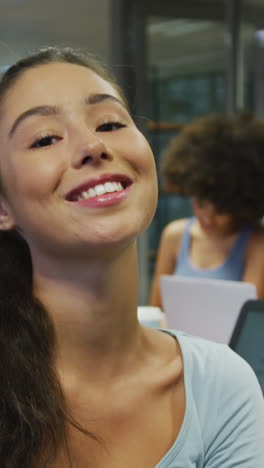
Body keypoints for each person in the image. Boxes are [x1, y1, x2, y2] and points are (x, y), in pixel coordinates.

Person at [0, 47, 263, 468]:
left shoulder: (220, 388)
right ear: (2, 206)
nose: (92, 145)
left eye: (110, 122)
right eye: (45, 138)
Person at [150, 113, 264, 309]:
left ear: (242, 205)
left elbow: (248, 327)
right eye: (201, 202)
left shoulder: (256, 244)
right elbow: (155, 313)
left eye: (221, 210)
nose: (207, 217)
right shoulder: (174, 235)